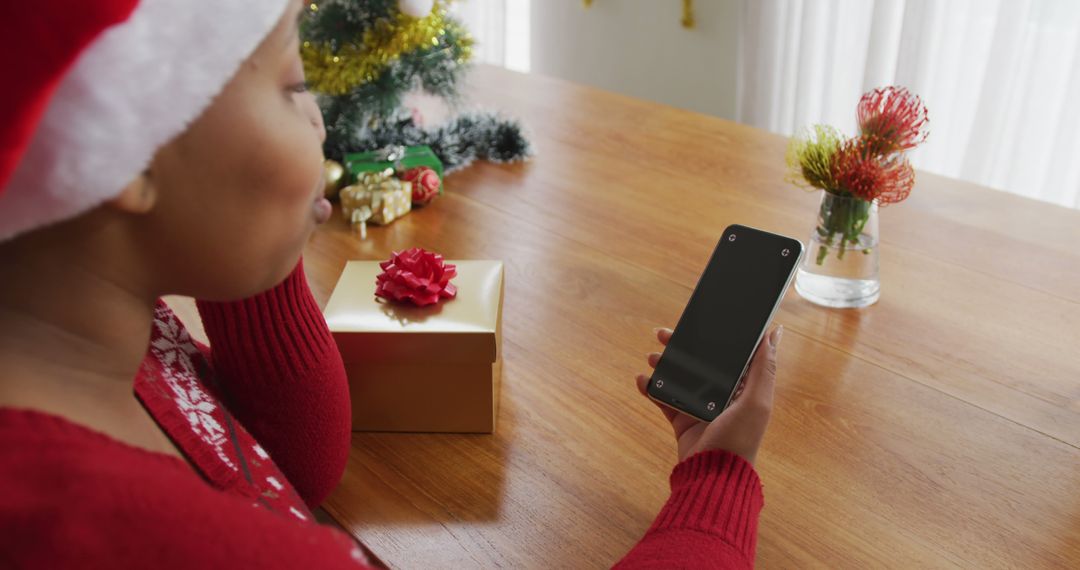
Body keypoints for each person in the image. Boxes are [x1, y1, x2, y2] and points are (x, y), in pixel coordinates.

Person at [0, 1, 780, 568]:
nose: (319, 125)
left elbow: (288, 466)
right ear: (121, 147)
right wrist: (717, 478)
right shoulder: (150, 538)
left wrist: (238, 245)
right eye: (289, 83)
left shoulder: (110, 346)